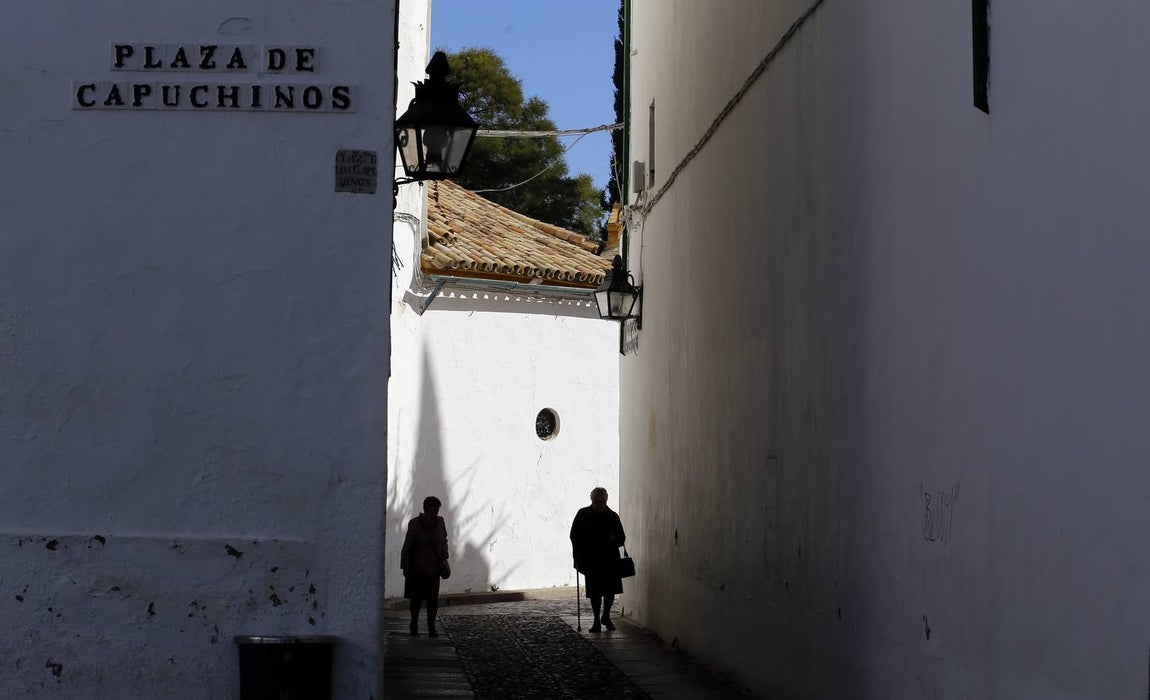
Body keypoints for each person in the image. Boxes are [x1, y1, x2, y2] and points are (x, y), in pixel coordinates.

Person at [570, 487, 626, 632]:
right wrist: (578, 556)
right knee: (595, 592)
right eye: (596, 501)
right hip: (592, 559)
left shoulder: (613, 516)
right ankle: (596, 620)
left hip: (609, 560)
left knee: (610, 591)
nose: (598, 504)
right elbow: (574, 536)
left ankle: (606, 616)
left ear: (605, 501)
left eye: (601, 502)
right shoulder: (583, 514)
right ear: (592, 500)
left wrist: (614, 539)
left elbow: (622, 538)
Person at [400, 496, 449, 637]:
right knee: (416, 599)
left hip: (434, 569)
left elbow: (444, 538)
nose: (435, 514)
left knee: (433, 600)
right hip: (417, 569)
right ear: (426, 509)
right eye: (433, 510)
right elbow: (407, 546)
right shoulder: (415, 524)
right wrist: (405, 567)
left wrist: (445, 551)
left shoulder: (440, 522)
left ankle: (431, 627)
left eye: (437, 510)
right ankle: (414, 623)